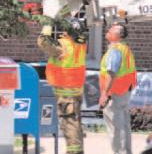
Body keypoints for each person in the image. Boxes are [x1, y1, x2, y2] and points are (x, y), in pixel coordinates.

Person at [37, 18, 88, 154]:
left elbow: (44, 43)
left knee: (69, 124)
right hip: (76, 91)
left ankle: (74, 152)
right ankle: (78, 150)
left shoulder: (64, 45)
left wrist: (47, 25)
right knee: (75, 123)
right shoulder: (81, 45)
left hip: (66, 93)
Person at [99, 22, 137, 154]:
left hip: (114, 93)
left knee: (116, 128)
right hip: (124, 92)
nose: (108, 30)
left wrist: (104, 94)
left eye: (112, 29)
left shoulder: (115, 50)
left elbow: (111, 73)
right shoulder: (125, 48)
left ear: (119, 35)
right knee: (124, 126)